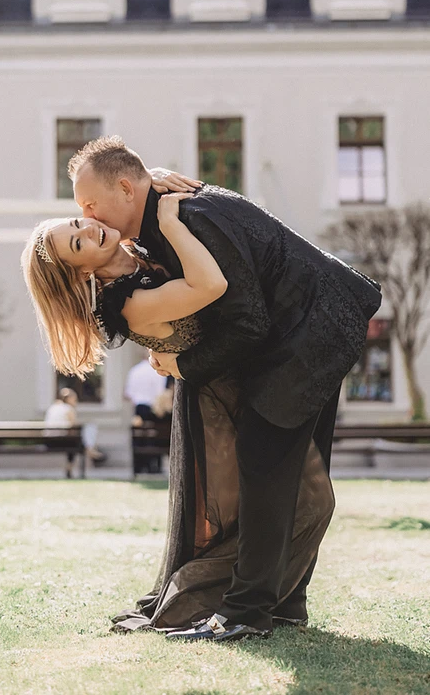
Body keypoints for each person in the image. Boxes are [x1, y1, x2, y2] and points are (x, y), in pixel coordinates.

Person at [66, 135, 381, 642]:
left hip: (310, 330)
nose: (85, 213)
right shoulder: (162, 217)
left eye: (88, 204)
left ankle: (246, 612)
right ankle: (284, 603)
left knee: (265, 464)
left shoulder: (187, 217)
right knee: (299, 474)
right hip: (314, 325)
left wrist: (181, 364)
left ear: (125, 188)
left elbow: (247, 322)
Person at [22, 185, 342, 638]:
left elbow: (128, 188)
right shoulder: (126, 301)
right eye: (78, 243)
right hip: (219, 401)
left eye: (77, 223)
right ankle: (229, 602)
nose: (89, 229)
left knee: (294, 501)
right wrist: (170, 221)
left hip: (244, 380)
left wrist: (152, 178)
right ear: (80, 275)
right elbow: (210, 286)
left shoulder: (136, 253)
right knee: (302, 503)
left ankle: (279, 602)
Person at [44, 387, 108, 472]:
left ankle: (89, 450)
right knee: (78, 440)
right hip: (62, 441)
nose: (76, 402)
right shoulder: (69, 409)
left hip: (49, 441)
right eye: (75, 399)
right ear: (69, 399)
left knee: (75, 442)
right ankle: (90, 451)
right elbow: (73, 427)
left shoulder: (53, 407)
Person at [125, 357, 168, 422]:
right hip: (155, 409)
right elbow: (161, 391)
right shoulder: (158, 371)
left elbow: (128, 394)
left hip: (139, 409)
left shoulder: (134, 370)